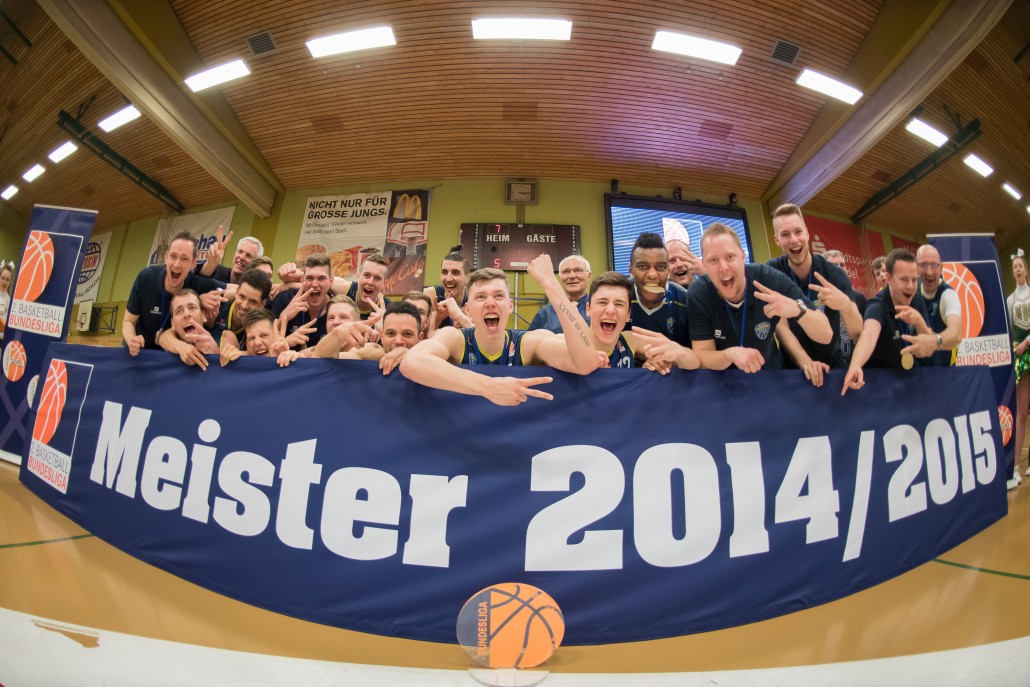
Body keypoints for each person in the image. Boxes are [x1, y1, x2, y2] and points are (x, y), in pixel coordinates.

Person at [400, 256, 602, 405]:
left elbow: (585, 363)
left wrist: (549, 283)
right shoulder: (455, 339)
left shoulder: (528, 344)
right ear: (467, 310)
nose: (490, 303)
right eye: (480, 297)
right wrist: (490, 387)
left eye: (498, 296)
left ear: (510, 306)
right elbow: (412, 362)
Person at [688, 223, 832, 378]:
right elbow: (702, 355)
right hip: (724, 381)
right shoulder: (699, 294)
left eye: (730, 257)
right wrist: (729, 355)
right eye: (713, 260)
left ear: (743, 256)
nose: (723, 267)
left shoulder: (769, 280)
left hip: (769, 377)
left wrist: (797, 309)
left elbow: (826, 335)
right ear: (704, 264)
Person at [767, 204, 861, 370]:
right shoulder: (772, 272)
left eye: (798, 232)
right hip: (794, 367)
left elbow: (856, 332)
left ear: (807, 233)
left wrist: (845, 305)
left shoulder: (833, 274)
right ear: (777, 240)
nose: (794, 240)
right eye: (785, 234)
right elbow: (781, 327)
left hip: (833, 364)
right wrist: (806, 362)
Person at [842, 248, 932, 395]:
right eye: (904, 279)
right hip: (879, 386)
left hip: (910, 381)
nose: (910, 286)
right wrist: (856, 364)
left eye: (914, 279)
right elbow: (869, 334)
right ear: (889, 278)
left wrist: (919, 321)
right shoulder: (877, 306)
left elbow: (929, 347)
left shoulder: (917, 299)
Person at [122, 231, 229, 354]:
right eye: (173, 256)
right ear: (166, 257)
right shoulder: (146, 278)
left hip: (170, 353)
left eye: (184, 259)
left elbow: (234, 290)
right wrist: (131, 339)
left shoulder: (195, 283)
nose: (177, 264)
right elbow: (128, 321)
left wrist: (207, 296)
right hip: (139, 350)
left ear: (193, 264)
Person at [585, 271, 699, 372]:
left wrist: (675, 354)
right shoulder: (574, 347)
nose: (610, 310)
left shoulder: (629, 340)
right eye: (602, 302)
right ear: (588, 309)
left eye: (619, 304)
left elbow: (694, 362)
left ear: (628, 315)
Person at [628, 233, 691, 346]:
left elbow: (698, 353)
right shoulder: (620, 296)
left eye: (660, 267)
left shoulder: (685, 301)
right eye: (642, 266)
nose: (652, 275)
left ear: (668, 270)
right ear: (631, 269)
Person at [906, 244, 962, 366]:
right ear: (916, 267)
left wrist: (935, 342)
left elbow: (956, 333)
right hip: (916, 369)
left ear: (941, 268)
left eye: (934, 265)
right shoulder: (911, 288)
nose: (929, 271)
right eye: (924, 265)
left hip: (943, 369)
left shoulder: (948, 295)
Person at [270, 253, 334, 348]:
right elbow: (267, 346)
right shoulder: (285, 300)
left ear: (331, 281)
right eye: (309, 278)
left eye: (321, 278)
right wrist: (284, 316)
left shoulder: (337, 309)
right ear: (302, 279)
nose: (314, 284)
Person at [1008, 250, 1030, 485]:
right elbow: (1010, 330)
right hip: (1021, 357)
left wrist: (1026, 342)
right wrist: (1016, 346)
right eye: (1015, 267)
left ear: (1026, 270)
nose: (1018, 269)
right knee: (1021, 413)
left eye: (1020, 266)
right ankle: (1014, 466)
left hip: (1028, 347)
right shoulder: (1010, 300)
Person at [528, 255, 591, 333]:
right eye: (566, 272)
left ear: (589, 276)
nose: (572, 276)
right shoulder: (545, 314)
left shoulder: (599, 310)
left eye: (578, 270)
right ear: (560, 277)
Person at [159, 289, 219, 369]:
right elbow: (162, 337)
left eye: (192, 308)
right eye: (179, 311)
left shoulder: (224, 341)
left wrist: (217, 355)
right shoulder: (163, 359)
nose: (186, 314)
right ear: (173, 324)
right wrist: (182, 347)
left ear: (203, 315)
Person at [424, 245, 471, 329]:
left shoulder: (473, 298)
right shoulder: (431, 295)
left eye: (455, 273)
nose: (448, 279)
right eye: (444, 272)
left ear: (467, 278)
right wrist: (438, 318)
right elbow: (421, 334)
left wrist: (462, 320)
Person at [197, 225, 263, 285]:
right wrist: (210, 264)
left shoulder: (253, 288)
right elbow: (198, 283)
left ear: (255, 263)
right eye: (240, 251)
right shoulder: (216, 271)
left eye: (248, 255)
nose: (242, 257)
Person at [0, 262, 13, 339]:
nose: (4, 282)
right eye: (2, 278)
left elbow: (8, 331)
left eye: (7, 279)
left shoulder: (10, 303)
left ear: (10, 282)